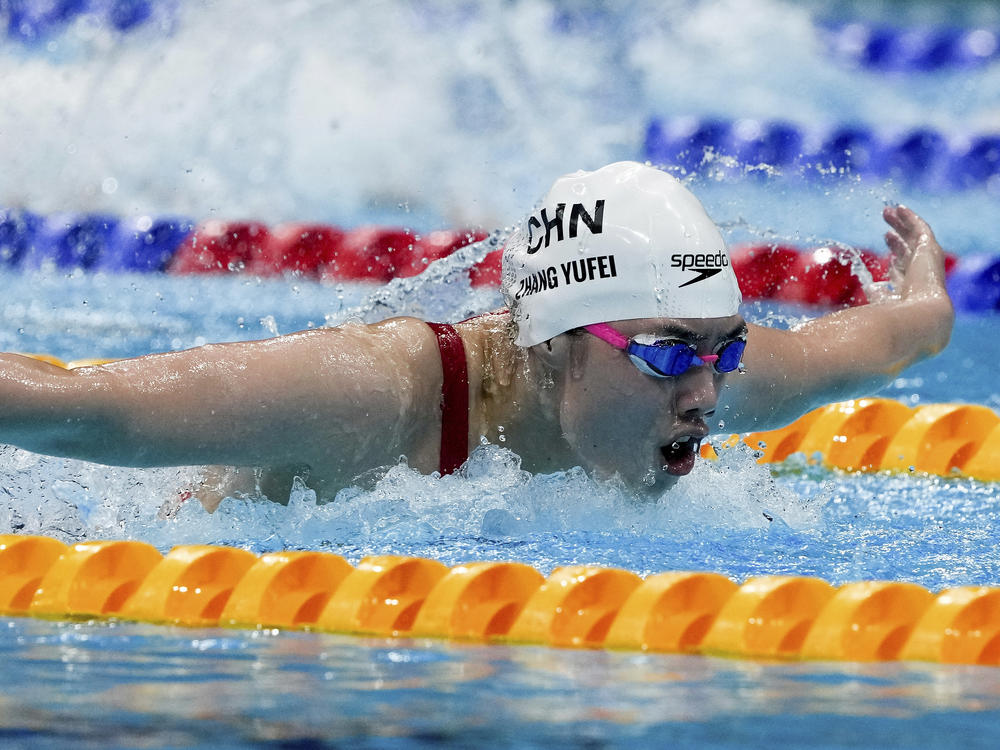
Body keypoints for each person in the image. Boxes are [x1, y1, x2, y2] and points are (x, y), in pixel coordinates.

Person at [0, 162, 953, 508]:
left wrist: (920, 298)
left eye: (722, 348)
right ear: (556, 346)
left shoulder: (692, 378)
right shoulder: (371, 395)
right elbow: (95, 412)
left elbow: (892, 337)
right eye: (668, 353)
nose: (705, 393)